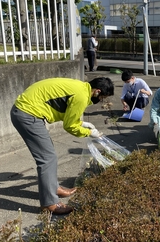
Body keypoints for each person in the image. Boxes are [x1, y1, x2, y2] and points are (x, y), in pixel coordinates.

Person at [10, 77, 114, 215]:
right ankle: (49, 203)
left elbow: (68, 113)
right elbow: (69, 126)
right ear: (97, 91)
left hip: (26, 110)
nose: (101, 100)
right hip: (28, 114)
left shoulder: (80, 87)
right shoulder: (82, 96)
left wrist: (82, 124)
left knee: (49, 155)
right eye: (102, 97)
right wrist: (89, 132)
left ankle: (53, 188)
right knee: (47, 158)